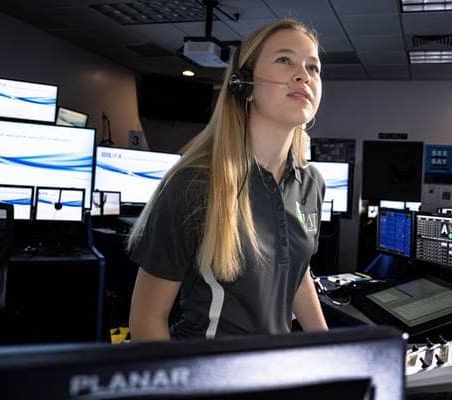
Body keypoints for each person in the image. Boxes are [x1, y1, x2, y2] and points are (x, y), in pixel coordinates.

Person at [127, 19, 328, 341]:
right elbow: (146, 319)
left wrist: (328, 347)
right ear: (245, 86)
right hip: (206, 371)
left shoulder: (311, 183)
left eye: (313, 67)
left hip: (273, 371)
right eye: (284, 60)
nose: (303, 75)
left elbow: (296, 268)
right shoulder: (194, 185)